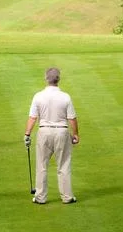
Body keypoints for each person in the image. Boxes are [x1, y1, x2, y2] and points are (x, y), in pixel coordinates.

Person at [24, 67, 79, 204]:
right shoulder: (65, 96)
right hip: (61, 131)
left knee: (41, 165)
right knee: (64, 165)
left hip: (44, 132)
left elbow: (32, 117)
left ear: (46, 78)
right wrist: (76, 134)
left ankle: (40, 197)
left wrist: (27, 134)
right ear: (58, 79)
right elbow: (72, 118)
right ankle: (67, 197)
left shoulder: (38, 96)